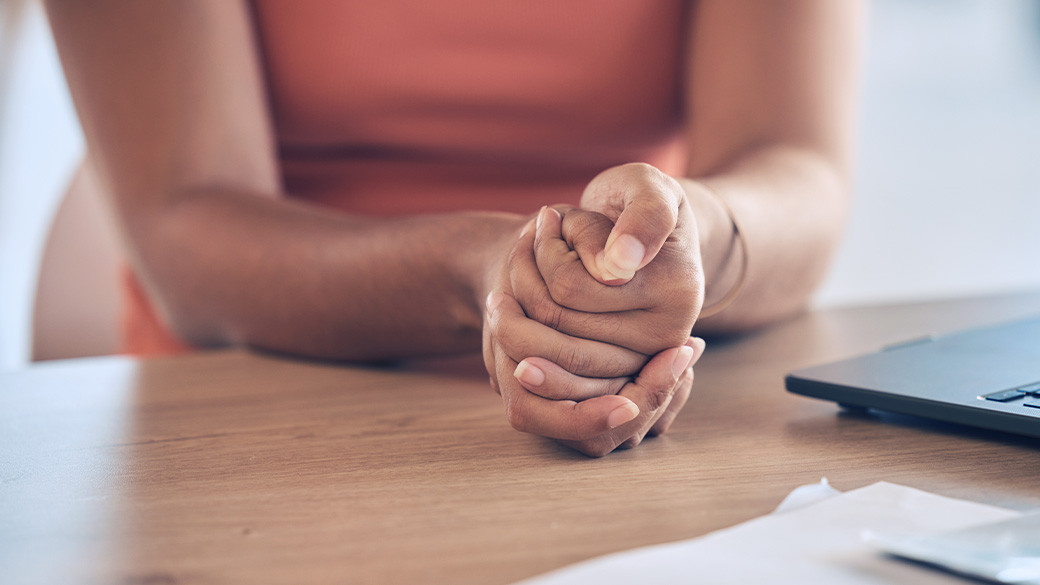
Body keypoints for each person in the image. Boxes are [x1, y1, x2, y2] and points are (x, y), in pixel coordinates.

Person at [45, 1, 861, 456]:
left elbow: (796, 171)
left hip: (656, 396)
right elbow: (186, 222)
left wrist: (681, 244)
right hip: (257, 415)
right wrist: (490, 276)